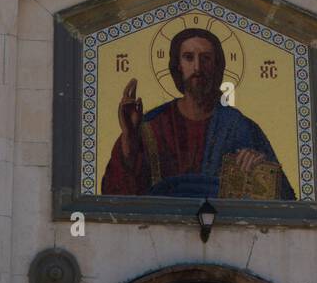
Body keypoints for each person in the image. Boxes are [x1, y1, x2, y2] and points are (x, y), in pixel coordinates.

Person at [101, 28, 295, 199]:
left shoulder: (240, 127)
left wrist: (260, 169)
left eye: (206, 58)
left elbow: (285, 200)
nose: (197, 68)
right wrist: (128, 136)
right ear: (178, 65)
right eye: (188, 57)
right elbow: (115, 194)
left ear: (216, 66)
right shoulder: (153, 125)